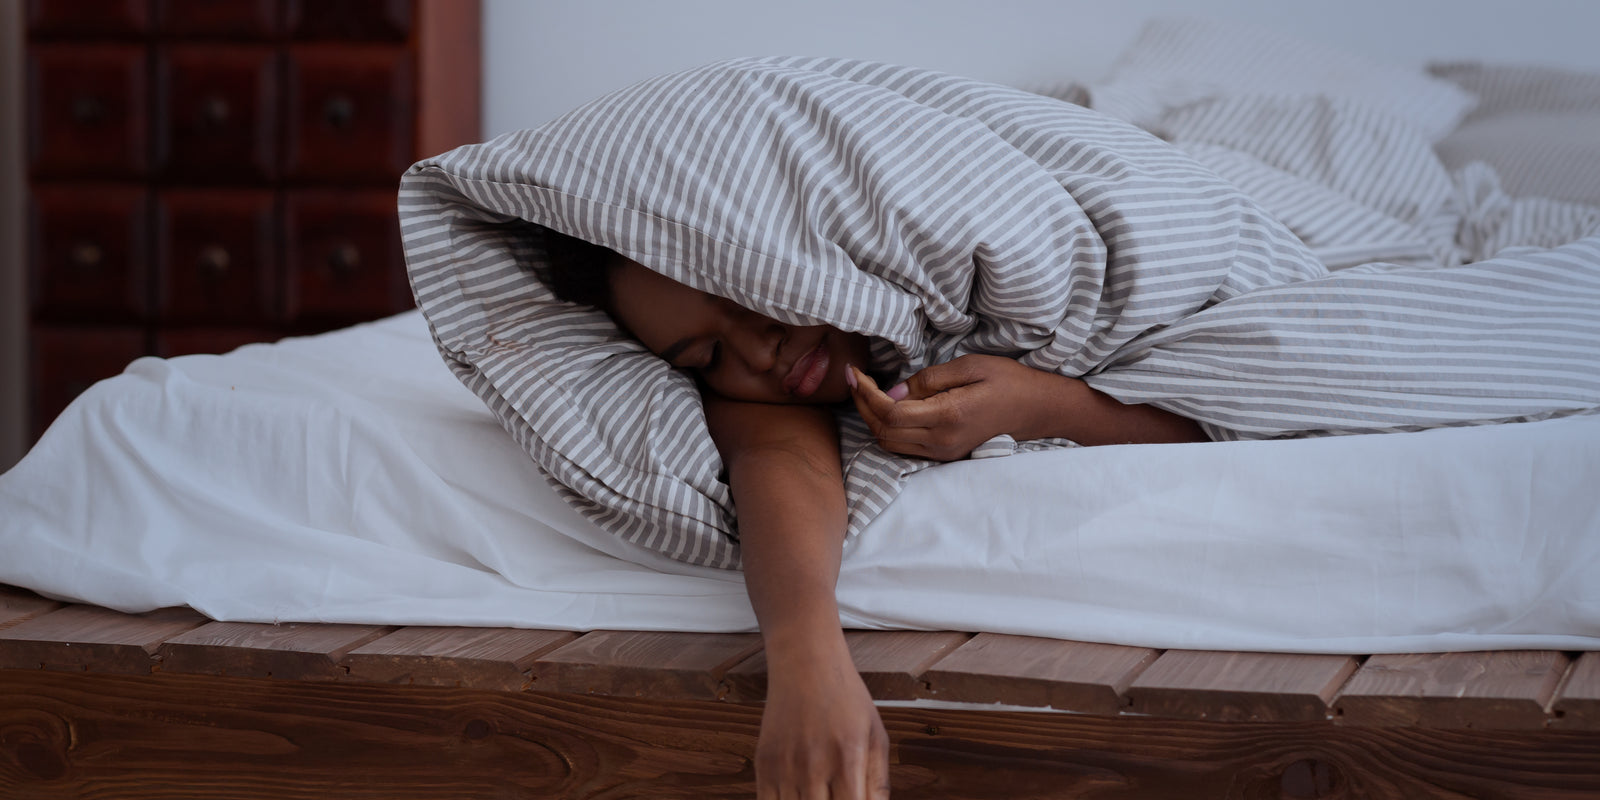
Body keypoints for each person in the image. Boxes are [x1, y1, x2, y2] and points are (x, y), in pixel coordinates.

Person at [542, 227, 1205, 799]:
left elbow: (1238, 417)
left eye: (741, 289)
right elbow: (780, 464)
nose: (754, 352)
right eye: (707, 356)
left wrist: (1039, 404)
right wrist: (807, 662)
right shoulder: (757, 392)